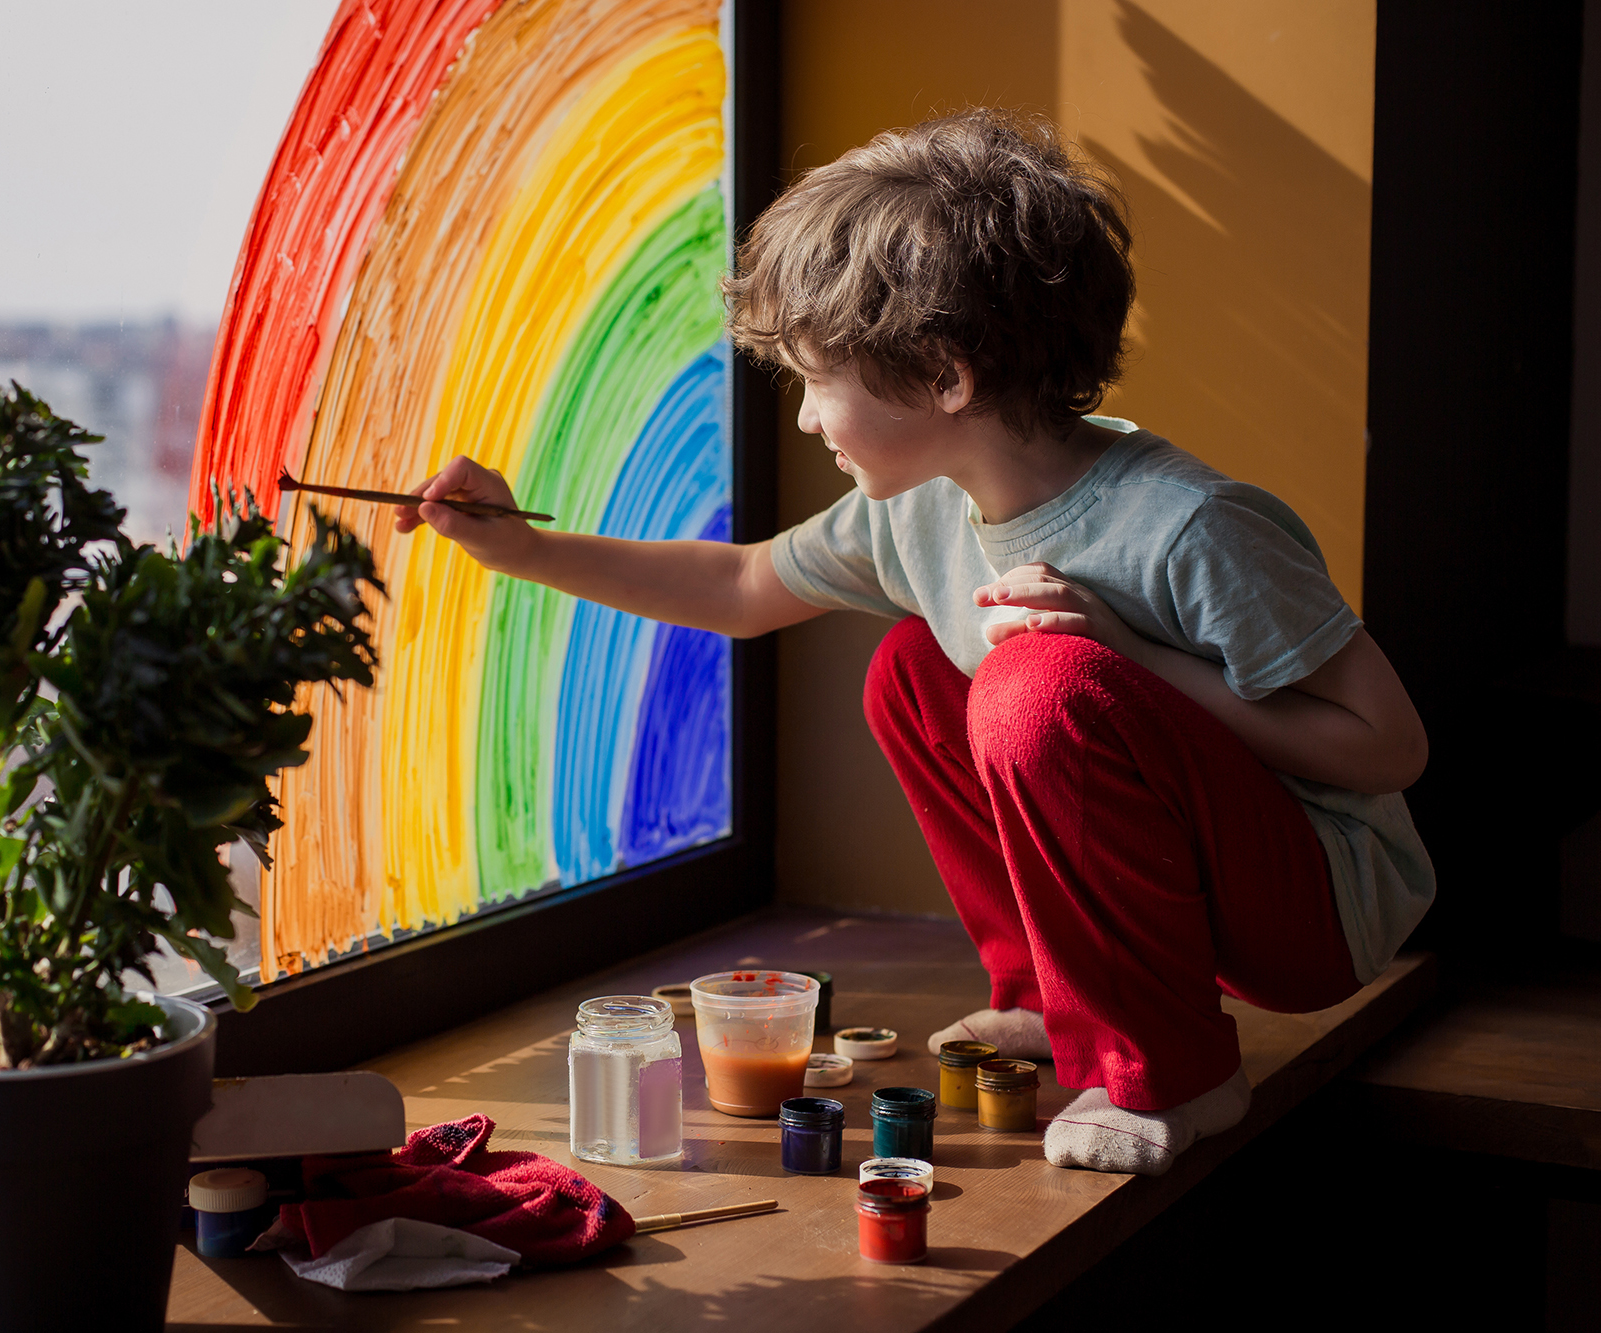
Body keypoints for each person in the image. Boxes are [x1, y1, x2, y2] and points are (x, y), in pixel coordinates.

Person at [391, 109, 1434, 1176]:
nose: (802, 419)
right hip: (1178, 881)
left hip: (1313, 909)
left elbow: (1386, 748)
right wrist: (520, 549)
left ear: (943, 376)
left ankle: (1170, 1072)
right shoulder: (918, 510)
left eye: (815, 380)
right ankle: (1046, 998)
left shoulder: (1188, 525)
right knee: (914, 670)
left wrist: (1135, 658)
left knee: (1036, 687)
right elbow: (744, 584)